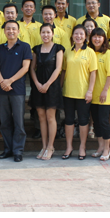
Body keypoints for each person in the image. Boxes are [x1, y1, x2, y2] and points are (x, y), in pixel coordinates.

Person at [0, 20, 32, 162]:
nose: (11, 31)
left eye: (14, 29)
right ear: (4, 31)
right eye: (8, 29)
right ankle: (7, 149)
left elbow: (25, 68)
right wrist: (2, 82)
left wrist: (10, 81)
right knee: (4, 122)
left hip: (17, 90)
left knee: (18, 122)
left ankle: (18, 151)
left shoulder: (25, 47)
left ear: (18, 31)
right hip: (2, 90)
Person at [61, 24, 97, 160]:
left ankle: (82, 147)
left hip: (83, 92)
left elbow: (93, 73)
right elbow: (63, 71)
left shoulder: (90, 52)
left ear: (86, 36)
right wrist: (60, 87)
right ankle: (69, 147)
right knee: (69, 120)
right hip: (68, 91)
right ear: (72, 36)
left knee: (83, 120)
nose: (78, 36)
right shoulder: (67, 52)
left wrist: (90, 91)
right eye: (76, 33)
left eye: (81, 34)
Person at [30, 23, 64, 160]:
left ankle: (50, 146)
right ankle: (43, 146)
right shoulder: (36, 49)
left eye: (48, 32)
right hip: (38, 86)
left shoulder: (58, 48)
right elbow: (32, 68)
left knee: (50, 117)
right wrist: (38, 84)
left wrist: (47, 84)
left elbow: (58, 69)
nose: (45, 35)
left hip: (52, 87)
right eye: (43, 32)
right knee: (41, 117)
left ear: (52, 34)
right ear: (40, 34)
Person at [88, 27, 110, 161]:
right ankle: (100, 147)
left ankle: (107, 148)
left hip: (104, 93)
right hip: (92, 93)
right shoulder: (89, 52)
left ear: (104, 39)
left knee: (104, 121)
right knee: (96, 122)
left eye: (100, 36)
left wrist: (105, 90)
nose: (97, 39)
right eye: (94, 36)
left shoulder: (108, 54)